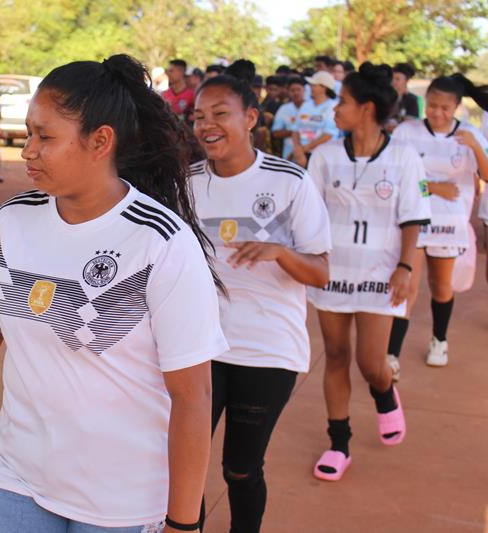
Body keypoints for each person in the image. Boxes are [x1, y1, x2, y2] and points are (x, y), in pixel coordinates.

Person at [0, 54, 229, 533]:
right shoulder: (9, 225)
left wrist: (182, 523)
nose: (28, 150)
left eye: (46, 137)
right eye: (29, 133)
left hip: (123, 500)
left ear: (100, 141)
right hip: (19, 478)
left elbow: (192, 395)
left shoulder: (159, 241)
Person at [191, 67, 331, 532]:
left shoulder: (290, 182)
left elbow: (321, 273)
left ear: (250, 117)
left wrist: (280, 252)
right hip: (198, 347)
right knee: (181, 463)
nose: (206, 125)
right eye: (198, 117)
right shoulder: (185, 184)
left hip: (269, 351)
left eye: (219, 114)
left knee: (240, 468)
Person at [306, 63, 431, 482]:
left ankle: (384, 392)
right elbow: (307, 216)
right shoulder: (323, 156)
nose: (334, 109)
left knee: (371, 363)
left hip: (381, 275)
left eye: (341, 101)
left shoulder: (404, 157)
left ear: (367, 108)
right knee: (336, 355)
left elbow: (414, 218)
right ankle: (339, 443)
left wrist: (406, 267)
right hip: (332, 274)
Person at [387, 74, 488, 375]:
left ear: (457, 107)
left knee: (440, 286)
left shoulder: (468, 133)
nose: (437, 113)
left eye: (445, 107)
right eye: (432, 105)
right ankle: (392, 354)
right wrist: (432, 187)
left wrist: (476, 148)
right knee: (407, 285)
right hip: (413, 222)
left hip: (449, 224)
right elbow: (392, 178)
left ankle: (439, 340)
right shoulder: (407, 132)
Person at [291, 71, 339, 167]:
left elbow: (328, 134)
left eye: (314, 85)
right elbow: (295, 129)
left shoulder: (332, 106)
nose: (311, 88)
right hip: (302, 154)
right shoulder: (306, 105)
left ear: (324, 87)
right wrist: (298, 149)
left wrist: (304, 149)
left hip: (323, 156)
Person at [272, 77, 306, 160]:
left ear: (304, 90)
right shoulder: (284, 109)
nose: (296, 93)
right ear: (288, 92)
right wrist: (295, 132)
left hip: (308, 151)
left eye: (298, 89)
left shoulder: (312, 107)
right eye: (292, 90)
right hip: (289, 154)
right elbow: (275, 133)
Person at [386, 63, 420, 132]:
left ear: (406, 81)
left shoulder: (411, 99)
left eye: (397, 79)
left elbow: (411, 125)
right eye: (392, 78)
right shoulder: (385, 96)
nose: (393, 82)